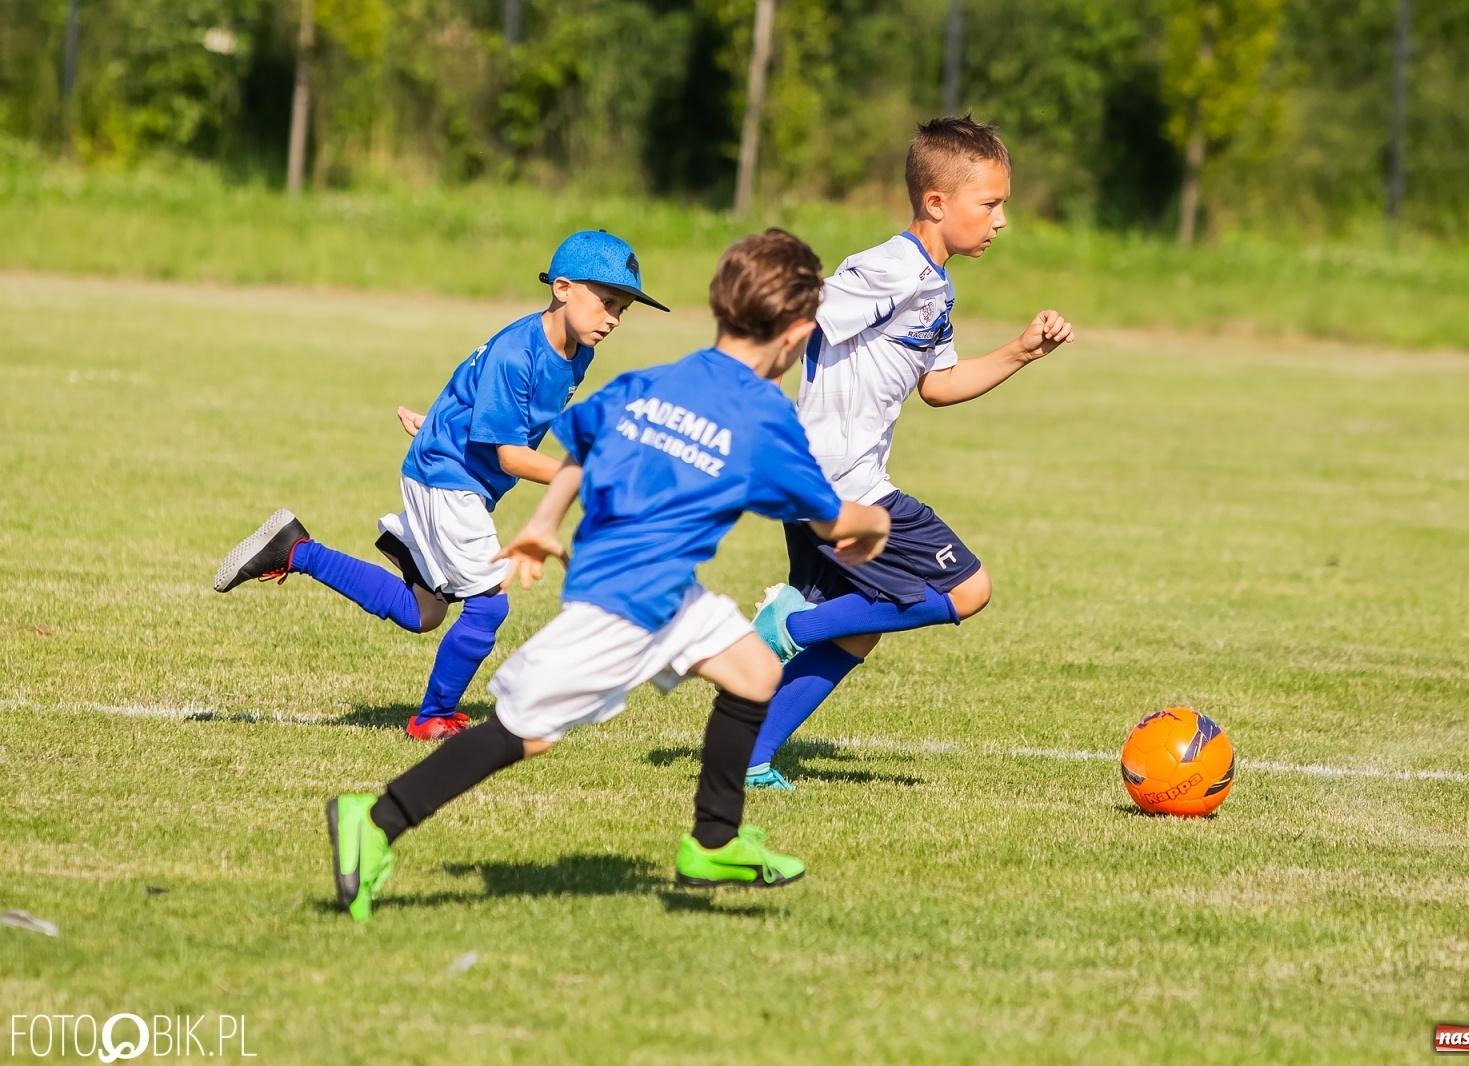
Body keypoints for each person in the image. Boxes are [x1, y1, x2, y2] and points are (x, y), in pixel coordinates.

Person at [325, 229, 892, 921]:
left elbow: (578, 442)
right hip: (626, 603)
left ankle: (714, 840)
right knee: (522, 733)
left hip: (664, 585)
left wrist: (543, 523)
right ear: (800, 333)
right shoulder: (766, 416)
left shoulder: (660, 378)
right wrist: (880, 524)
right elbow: (833, 522)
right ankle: (376, 818)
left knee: (753, 671)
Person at [212, 231, 665, 740]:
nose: (613, 319)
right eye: (606, 302)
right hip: (449, 478)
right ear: (562, 288)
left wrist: (441, 419)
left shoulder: (577, 351)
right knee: (490, 603)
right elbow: (511, 455)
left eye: (622, 310)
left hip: (453, 469)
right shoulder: (520, 352)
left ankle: (295, 549)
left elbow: (485, 400)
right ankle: (431, 719)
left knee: (423, 611)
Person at [744, 116, 1075, 790]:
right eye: (990, 203)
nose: (1001, 220)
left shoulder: (933, 286)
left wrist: (1020, 351)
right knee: (967, 588)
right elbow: (796, 321)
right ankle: (792, 622)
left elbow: (939, 387)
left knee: (857, 632)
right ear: (936, 203)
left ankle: (749, 758)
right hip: (839, 482)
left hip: (829, 480)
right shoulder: (888, 268)